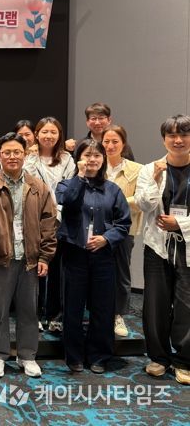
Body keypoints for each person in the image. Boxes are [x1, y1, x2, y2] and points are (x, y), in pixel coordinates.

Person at [0, 133, 57, 378]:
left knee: (29, 310)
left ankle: (27, 355)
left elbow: (48, 221)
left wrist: (45, 256)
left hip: (30, 258)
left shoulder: (37, 186)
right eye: (7, 152)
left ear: (25, 154)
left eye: (17, 152)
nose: (12, 157)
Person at [56, 139, 130, 374]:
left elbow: (123, 223)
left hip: (103, 255)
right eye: (87, 155)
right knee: (73, 307)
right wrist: (80, 176)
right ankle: (74, 356)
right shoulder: (66, 184)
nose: (92, 159)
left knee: (103, 307)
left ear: (103, 159)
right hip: (74, 253)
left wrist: (106, 238)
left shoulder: (113, 189)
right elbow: (68, 201)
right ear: (78, 158)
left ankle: (99, 356)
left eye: (97, 155)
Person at [135, 115, 190, 385]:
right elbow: (144, 205)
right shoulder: (150, 169)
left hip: (187, 246)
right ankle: (158, 357)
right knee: (155, 304)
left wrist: (179, 223)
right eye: (172, 135)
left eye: (184, 135)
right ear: (164, 139)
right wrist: (156, 179)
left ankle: (184, 361)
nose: (178, 140)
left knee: (186, 305)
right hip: (157, 246)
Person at [23, 116, 75, 331]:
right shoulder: (29, 159)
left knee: (57, 270)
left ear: (59, 135)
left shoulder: (67, 159)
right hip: (35, 218)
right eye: (44, 131)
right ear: (37, 134)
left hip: (61, 220)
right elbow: (27, 185)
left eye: (53, 132)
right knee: (35, 268)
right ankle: (34, 314)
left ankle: (55, 316)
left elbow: (70, 188)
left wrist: (56, 212)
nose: (49, 136)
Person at [101, 125, 143, 337]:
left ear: (123, 144)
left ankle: (118, 315)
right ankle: (98, 312)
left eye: (115, 141)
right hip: (96, 228)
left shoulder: (137, 169)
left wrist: (114, 202)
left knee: (121, 273)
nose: (110, 146)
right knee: (95, 271)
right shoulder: (96, 164)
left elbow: (141, 199)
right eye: (106, 141)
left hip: (124, 228)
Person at [65, 102, 135, 160]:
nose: (97, 122)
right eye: (93, 118)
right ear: (87, 121)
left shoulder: (118, 145)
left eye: (101, 118)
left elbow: (130, 167)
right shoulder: (80, 145)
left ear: (109, 120)